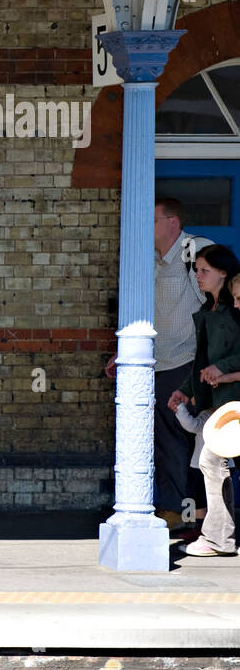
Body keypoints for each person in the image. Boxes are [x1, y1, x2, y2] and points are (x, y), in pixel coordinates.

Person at [106, 198, 211, 530]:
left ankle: (191, 514)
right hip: (155, 362)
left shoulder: (197, 252)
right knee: (165, 439)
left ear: (173, 223)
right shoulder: (148, 258)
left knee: (188, 439)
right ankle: (176, 511)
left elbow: (214, 307)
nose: (145, 226)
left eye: (151, 219)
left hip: (187, 361)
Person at [169, 249, 240, 555]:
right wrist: (186, 389)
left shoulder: (234, 310)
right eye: (196, 270)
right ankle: (220, 537)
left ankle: (219, 538)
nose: (197, 276)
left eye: (204, 270)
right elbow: (202, 360)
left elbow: (222, 359)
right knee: (213, 463)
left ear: (223, 273)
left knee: (212, 462)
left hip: (232, 399)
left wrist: (222, 370)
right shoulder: (207, 312)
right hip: (216, 400)